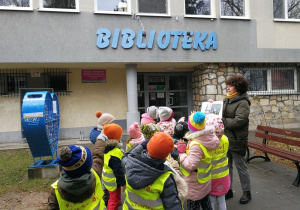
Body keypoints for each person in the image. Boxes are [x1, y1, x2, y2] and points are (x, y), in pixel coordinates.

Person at [121, 132, 185, 209]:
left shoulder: (129, 164)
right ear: (167, 155)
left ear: (148, 146)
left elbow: (127, 155)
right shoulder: (165, 177)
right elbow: (173, 205)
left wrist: (141, 145)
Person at [177, 111, 219, 210]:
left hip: (195, 184)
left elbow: (191, 165)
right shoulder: (208, 137)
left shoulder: (196, 145)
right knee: (206, 204)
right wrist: (194, 117)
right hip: (204, 180)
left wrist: (182, 153)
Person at [48, 140, 106, 209]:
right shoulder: (95, 175)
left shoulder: (56, 190)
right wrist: (101, 139)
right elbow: (98, 157)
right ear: (87, 167)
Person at [222, 75, 251, 204]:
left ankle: (247, 192)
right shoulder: (227, 100)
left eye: (231, 85)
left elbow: (239, 121)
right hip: (226, 138)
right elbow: (220, 113)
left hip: (237, 138)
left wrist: (222, 121)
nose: (228, 87)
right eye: (227, 85)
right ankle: (228, 190)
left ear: (238, 87)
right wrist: (212, 106)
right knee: (227, 166)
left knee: (241, 166)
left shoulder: (243, 102)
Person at [206, 114, 230, 210]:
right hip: (224, 176)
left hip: (212, 177)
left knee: (211, 200)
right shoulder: (225, 139)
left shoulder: (208, 143)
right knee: (222, 200)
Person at [100, 124, 126, 210]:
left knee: (114, 199)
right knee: (114, 201)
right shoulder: (115, 153)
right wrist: (123, 184)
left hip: (107, 179)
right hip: (113, 182)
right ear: (116, 138)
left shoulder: (106, 147)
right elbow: (118, 171)